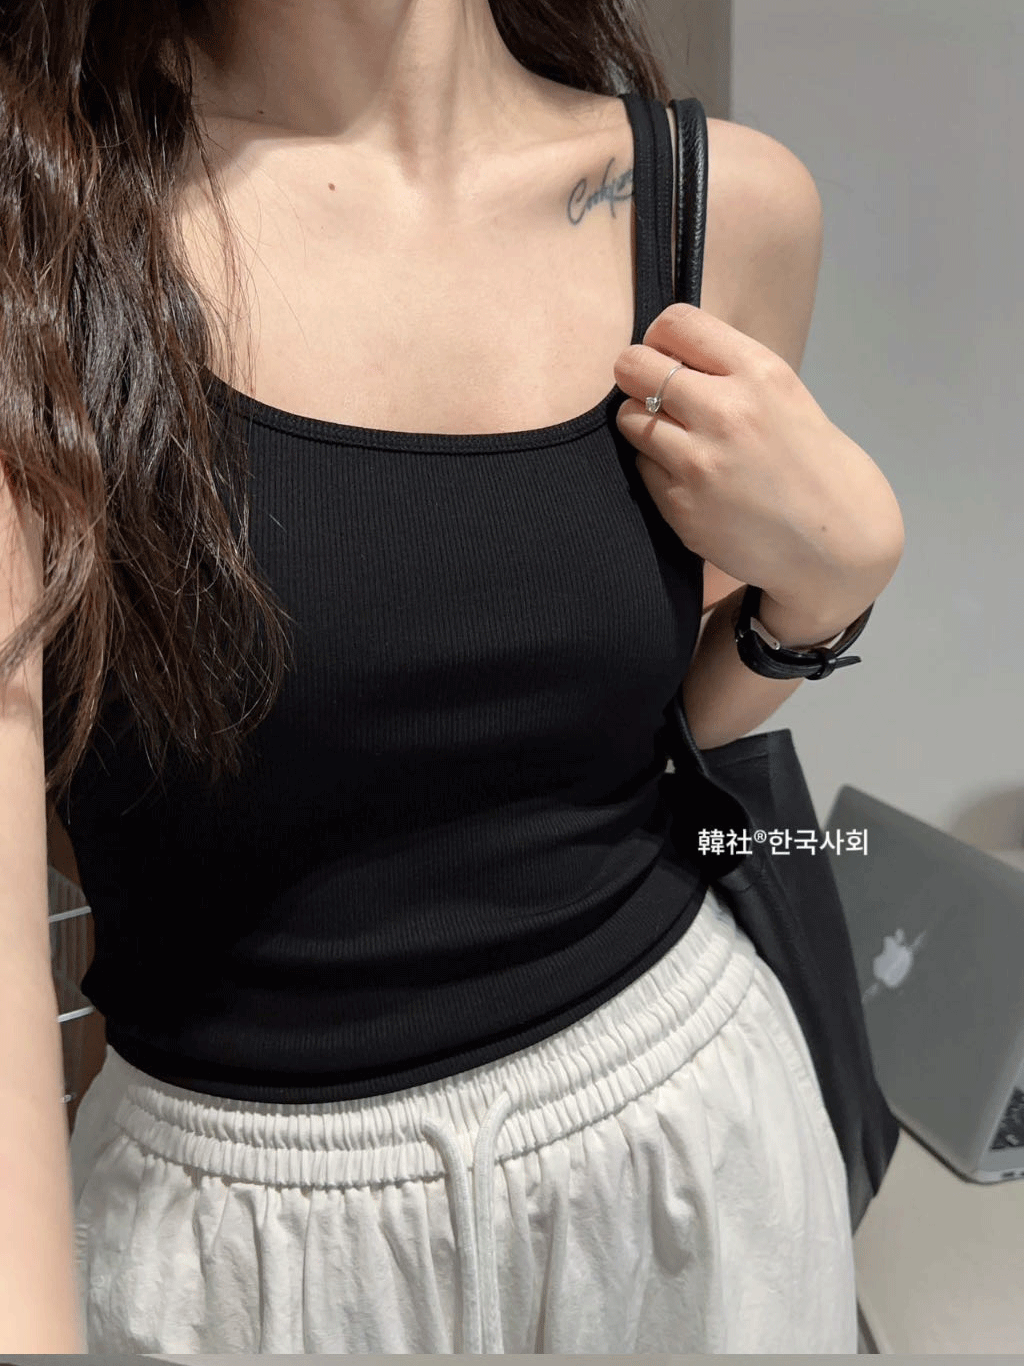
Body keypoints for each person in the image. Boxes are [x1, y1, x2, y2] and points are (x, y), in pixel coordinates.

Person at [0, 0, 904, 1353]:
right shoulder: (41, 239)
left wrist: (825, 597)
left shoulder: (721, 207)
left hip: (692, 1154)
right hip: (246, 1256)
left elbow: (654, 734)